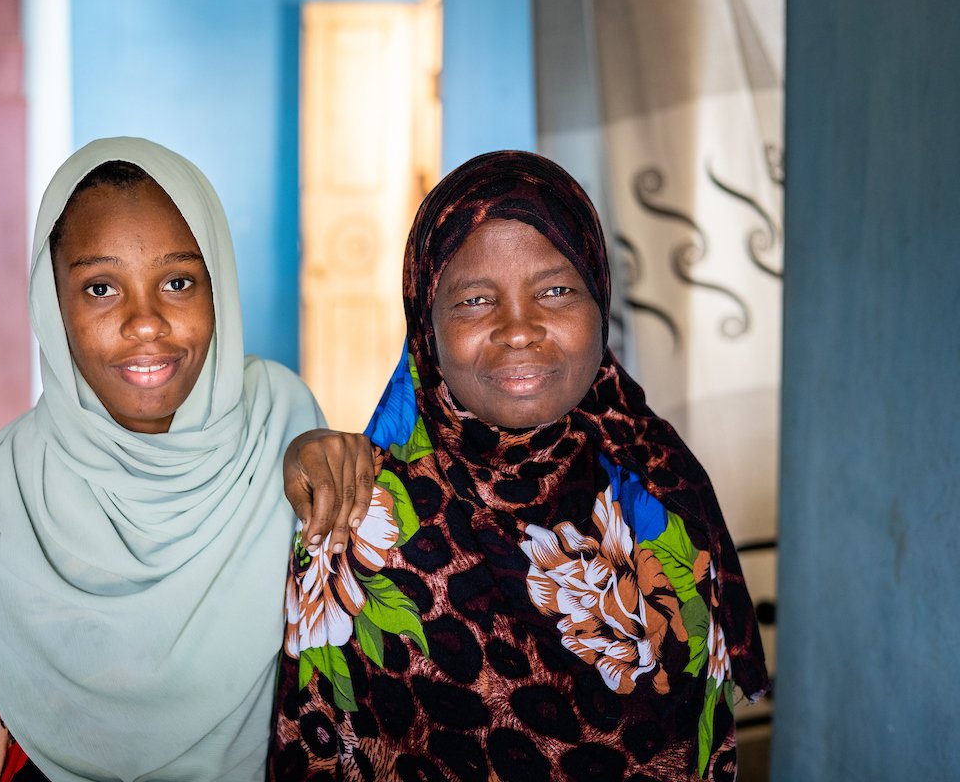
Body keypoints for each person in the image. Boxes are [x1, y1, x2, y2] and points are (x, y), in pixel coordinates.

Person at [0, 137, 371, 782]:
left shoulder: (286, 426)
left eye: (177, 281)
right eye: (102, 287)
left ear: (217, 287)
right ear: (52, 306)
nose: (146, 321)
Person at [271, 151, 769, 781]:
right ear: (426, 327)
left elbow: (708, 749)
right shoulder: (358, 518)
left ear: (600, 302)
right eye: (476, 300)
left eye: (556, 291)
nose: (518, 329)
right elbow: (316, 752)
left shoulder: (664, 494)